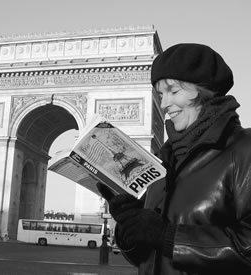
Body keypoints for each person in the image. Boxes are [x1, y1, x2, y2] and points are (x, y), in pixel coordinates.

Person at [97, 43, 251, 275]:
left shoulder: (244, 149)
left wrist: (168, 237)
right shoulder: (162, 161)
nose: (164, 104)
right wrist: (130, 224)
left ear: (205, 92)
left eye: (174, 91)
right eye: (160, 94)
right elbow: (144, 258)